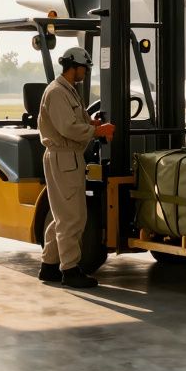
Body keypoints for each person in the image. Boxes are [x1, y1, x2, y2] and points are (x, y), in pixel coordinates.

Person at [37, 47, 113, 289]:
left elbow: (73, 121)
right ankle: (70, 270)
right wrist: (96, 131)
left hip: (68, 157)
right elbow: (67, 127)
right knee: (73, 217)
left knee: (62, 216)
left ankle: (49, 266)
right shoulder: (58, 92)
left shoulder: (67, 91)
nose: (85, 73)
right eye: (84, 68)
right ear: (75, 66)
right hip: (64, 157)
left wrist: (90, 122)